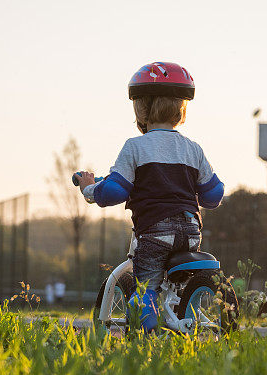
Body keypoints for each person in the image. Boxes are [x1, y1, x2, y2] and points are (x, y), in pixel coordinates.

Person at [75, 62, 224, 331]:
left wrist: (89, 188)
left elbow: (114, 191)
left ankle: (146, 341)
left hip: (155, 234)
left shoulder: (136, 147)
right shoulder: (193, 149)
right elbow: (213, 195)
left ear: (141, 109)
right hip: (191, 232)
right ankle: (183, 310)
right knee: (176, 280)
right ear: (182, 108)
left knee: (146, 287)